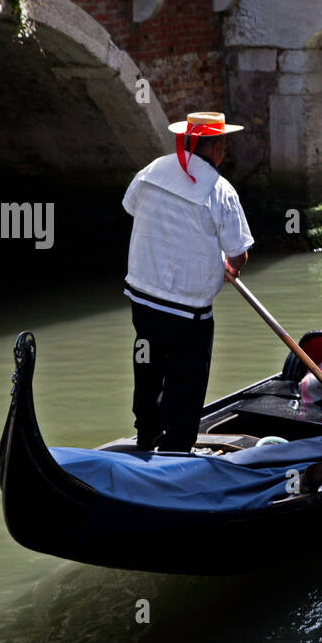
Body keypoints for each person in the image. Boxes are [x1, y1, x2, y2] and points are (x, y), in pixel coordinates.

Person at [122, 110, 252, 453]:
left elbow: (134, 208)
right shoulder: (221, 191)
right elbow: (238, 254)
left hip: (143, 298)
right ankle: (177, 447)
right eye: (224, 142)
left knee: (147, 365)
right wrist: (228, 265)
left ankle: (146, 433)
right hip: (188, 310)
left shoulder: (151, 171)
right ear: (217, 147)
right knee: (186, 379)